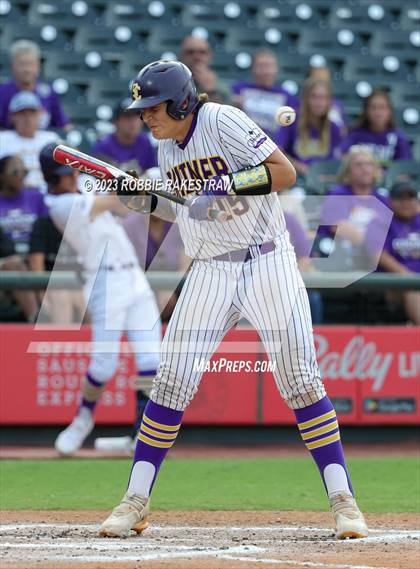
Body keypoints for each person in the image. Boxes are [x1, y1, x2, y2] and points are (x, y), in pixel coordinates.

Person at [99, 60, 368, 540]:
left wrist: (227, 183)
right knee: (171, 382)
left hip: (267, 260)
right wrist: (142, 198)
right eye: (141, 110)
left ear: (182, 100)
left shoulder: (222, 119)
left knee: (301, 382)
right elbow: (183, 208)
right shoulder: (164, 146)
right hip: (210, 268)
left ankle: (344, 501)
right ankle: (134, 501)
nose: (146, 117)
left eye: (153, 107)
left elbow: (282, 173)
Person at [38, 144, 162, 455]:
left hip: (134, 278)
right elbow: (108, 203)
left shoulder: (79, 189)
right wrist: (142, 180)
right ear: (54, 179)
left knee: (152, 360)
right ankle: (83, 420)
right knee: (104, 365)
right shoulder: (59, 204)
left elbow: (124, 205)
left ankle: (139, 435)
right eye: (67, 174)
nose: (73, 176)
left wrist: (144, 183)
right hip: (105, 282)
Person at [317, 147, 391, 271]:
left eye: (369, 164)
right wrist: (373, 247)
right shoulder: (338, 195)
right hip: (343, 260)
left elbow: (389, 232)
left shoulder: (383, 200)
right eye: (359, 164)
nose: (365, 169)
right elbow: (338, 227)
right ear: (348, 171)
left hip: (377, 262)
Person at [365, 182, 420, 324]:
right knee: (413, 290)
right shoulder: (380, 222)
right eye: (401, 198)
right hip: (393, 282)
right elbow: (377, 254)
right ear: (390, 201)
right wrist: (407, 276)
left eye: (410, 198)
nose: (406, 203)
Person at [123, 212, 188, 322]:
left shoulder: (182, 223)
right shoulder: (129, 225)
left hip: (178, 289)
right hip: (141, 287)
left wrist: (170, 288)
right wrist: (155, 292)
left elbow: (185, 265)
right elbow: (128, 266)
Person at [275, 77, 342, 178]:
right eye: (314, 97)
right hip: (293, 176)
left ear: (329, 101)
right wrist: (299, 166)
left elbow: (335, 162)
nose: (319, 102)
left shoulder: (334, 128)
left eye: (323, 98)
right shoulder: (291, 121)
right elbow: (278, 151)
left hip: (321, 179)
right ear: (306, 99)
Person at [28, 212, 86, 325]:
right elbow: (36, 264)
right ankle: (63, 340)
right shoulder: (43, 224)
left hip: (83, 285)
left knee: (88, 297)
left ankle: (96, 342)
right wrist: (42, 297)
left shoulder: (90, 223)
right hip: (53, 287)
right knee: (61, 295)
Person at [0, 39, 70, 131]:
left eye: (30, 64)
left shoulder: (48, 92)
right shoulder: (2, 92)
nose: (27, 69)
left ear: (38, 66)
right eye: (22, 64)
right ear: (13, 66)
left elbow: (63, 125)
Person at [232, 49, 298, 139]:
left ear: (276, 69)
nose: (265, 71)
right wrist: (232, 103)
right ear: (252, 69)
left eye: (268, 66)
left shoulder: (286, 96)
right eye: (260, 66)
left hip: (277, 148)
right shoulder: (239, 89)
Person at [0, 92, 58, 191]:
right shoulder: (3, 139)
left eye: (32, 113)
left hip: (49, 193)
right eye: (22, 113)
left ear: (40, 114)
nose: (27, 118)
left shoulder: (51, 139)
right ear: (11, 116)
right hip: (15, 194)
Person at [341, 90, 412, 167]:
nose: (378, 112)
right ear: (366, 111)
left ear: (390, 111)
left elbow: (405, 171)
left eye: (382, 107)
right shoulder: (356, 134)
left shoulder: (398, 137)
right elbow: (341, 157)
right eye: (373, 107)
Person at [91, 98, 157, 174]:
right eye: (127, 117)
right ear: (115, 122)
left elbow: (152, 172)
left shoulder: (145, 141)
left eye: (137, 116)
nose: (133, 122)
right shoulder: (104, 145)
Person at [0, 155, 48, 254]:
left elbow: (47, 233)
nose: (21, 176)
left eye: (25, 172)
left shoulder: (37, 197)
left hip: (35, 254)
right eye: (15, 172)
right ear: (1, 175)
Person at [284, 211, 323, 324]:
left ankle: (312, 339)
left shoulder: (287, 218)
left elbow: (305, 258)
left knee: (312, 299)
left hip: (287, 281)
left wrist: (290, 281)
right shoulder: (242, 220)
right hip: (250, 283)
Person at [180, 36, 230, 104]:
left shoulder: (223, 88)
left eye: (202, 52)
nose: (196, 57)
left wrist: (210, 90)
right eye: (190, 52)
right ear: (181, 56)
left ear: (210, 56)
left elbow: (224, 113)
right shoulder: (172, 84)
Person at [306, 65, 346, 133]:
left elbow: (343, 132)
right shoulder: (298, 107)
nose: (321, 84)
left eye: (325, 80)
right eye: (317, 79)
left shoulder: (337, 107)